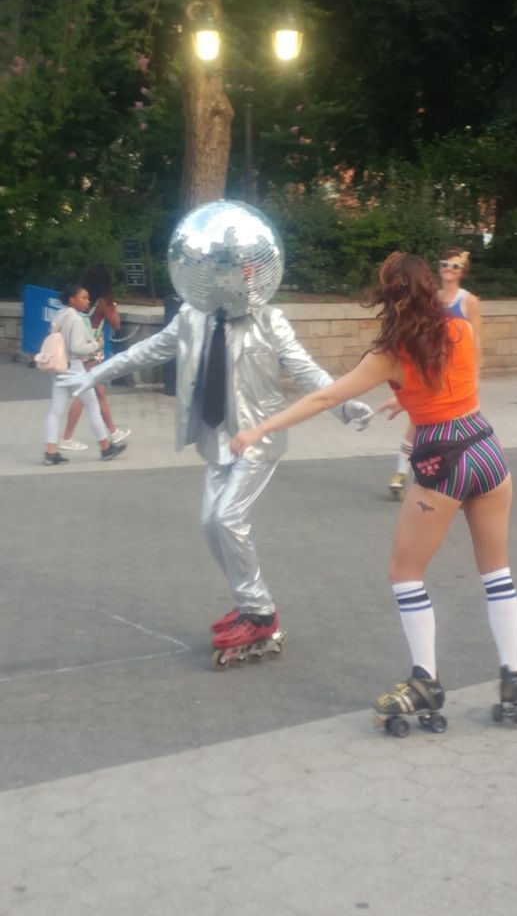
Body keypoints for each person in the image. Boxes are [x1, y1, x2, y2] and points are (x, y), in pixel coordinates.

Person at [58, 201, 373, 667]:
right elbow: (146, 350)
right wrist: (96, 373)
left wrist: (347, 404)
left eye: (238, 269)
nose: (229, 278)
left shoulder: (271, 321)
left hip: (258, 438)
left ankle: (261, 610)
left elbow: (307, 372)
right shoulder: (192, 316)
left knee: (228, 519)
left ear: (251, 273)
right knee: (210, 524)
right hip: (216, 437)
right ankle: (251, 605)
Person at [230, 251, 517, 725]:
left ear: (387, 295)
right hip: (487, 449)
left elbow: (325, 396)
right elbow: (449, 385)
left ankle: (425, 681)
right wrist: (411, 403)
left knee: (405, 572)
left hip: (444, 460)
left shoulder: (389, 356)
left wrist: (260, 429)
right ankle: (513, 679)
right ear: (431, 286)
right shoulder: (461, 330)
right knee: (496, 572)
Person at [387, 247, 481, 500]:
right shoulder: (433, 298)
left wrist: (474, 378)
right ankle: (401, 473)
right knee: (418, 422)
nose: (448, 269)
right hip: (429, 370)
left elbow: (475, 343)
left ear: (463, 272)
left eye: (455, 266)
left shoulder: (468, 301)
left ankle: (448, 475)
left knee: (439, 425)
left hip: (455, 376)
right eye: (444, 264)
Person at [43, 284, 127, 465]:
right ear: (72, 299)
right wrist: (96, 345)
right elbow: (77, 348)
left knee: (55, 410)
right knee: (92, 405)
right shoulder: (76, 319)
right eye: (83, 297)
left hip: (58, 367)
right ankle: (105, 447)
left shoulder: (60, 315)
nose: (88, 301)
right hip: (74, 367)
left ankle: (51, 451)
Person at [60, 264, 131, 451]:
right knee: (88, 392)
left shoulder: (82, 297)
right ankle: (68, 437)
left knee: (96, 392)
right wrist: (114, 306)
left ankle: (113, 433)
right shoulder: (104, 301)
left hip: (80, 347)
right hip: (93, 349)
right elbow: (116, 324)